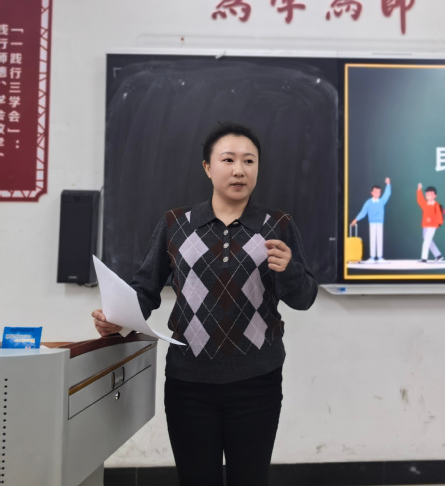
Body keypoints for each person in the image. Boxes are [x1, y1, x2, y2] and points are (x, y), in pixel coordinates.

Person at [91, 121, 318, 486]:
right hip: (189, 383)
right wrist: (117, 319)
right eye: (228, 159)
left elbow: (304, 298)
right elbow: (145, 290)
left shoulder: (277, 225)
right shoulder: (176, 224)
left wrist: (289, 270)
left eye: (249, 161)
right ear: (208, 167)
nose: (239, 170)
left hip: (257, 381)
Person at [350, 177, 391, 262]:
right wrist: (356, 219)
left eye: (379, 192)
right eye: (375, 192)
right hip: (372, 223)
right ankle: (372, 257)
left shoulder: (382, 201)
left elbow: (387, 194)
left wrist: (388, 184)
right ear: (372, 192)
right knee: (372, 239)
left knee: (379, 239)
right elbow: (363, 212)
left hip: (380, 223)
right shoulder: (368, 202)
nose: (377, 193)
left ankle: (380, 257)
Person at [417, 183, 444, 262]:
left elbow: (439, 216)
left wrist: (438, 223)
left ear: (435, 196)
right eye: (427, 194)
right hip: (425, 225)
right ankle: (438, 255)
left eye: (430, 195)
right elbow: (420, 200)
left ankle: (424, 258)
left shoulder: (436, 205)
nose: (428, 196)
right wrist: (419, 190)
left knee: (426, 242)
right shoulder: (425, 204)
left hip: (432, 226)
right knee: (428, 241)